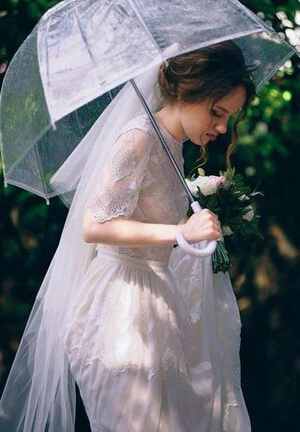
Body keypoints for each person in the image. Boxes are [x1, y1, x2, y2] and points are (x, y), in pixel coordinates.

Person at [0, 41, 256, 432]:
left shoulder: (174, 146)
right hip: (120, 306)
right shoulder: (137, 137)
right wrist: (179, 230)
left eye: (228, 117)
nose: (221, 128)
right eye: (216, 112)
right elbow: (94, 225)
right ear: (186, 92)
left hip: (156, 296)